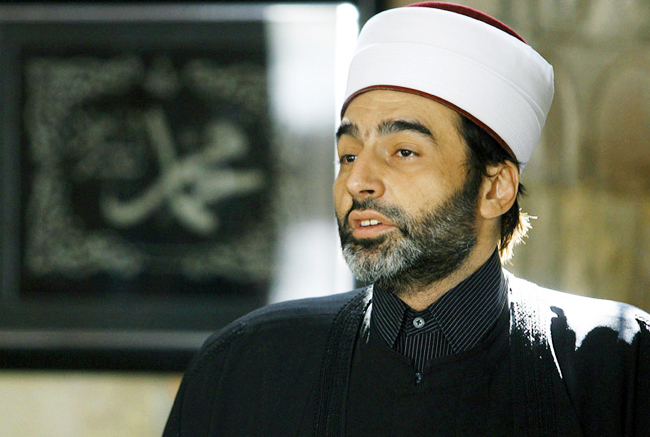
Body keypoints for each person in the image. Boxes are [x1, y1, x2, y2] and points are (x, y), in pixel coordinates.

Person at [164, 2, 650, 436]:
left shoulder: (620, 364)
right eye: (348, 155)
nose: (358, 182)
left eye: (403, 151)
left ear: (495, 188)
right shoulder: (246, 365)